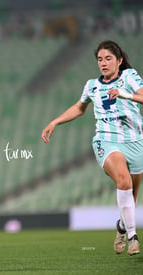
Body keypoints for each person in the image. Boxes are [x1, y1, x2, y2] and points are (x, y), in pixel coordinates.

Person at [42, 40, 143, 256]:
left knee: (132, 196)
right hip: (106, 141)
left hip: (136, 142)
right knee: (123, 181)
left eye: (108, 58)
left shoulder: (129, 77)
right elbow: (80, 107)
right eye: (99, 59)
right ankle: (133, 237)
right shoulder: (92, 86)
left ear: (119, 60)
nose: (103, 63)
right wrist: (55, 122)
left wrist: (125, 95)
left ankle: (123, 226)